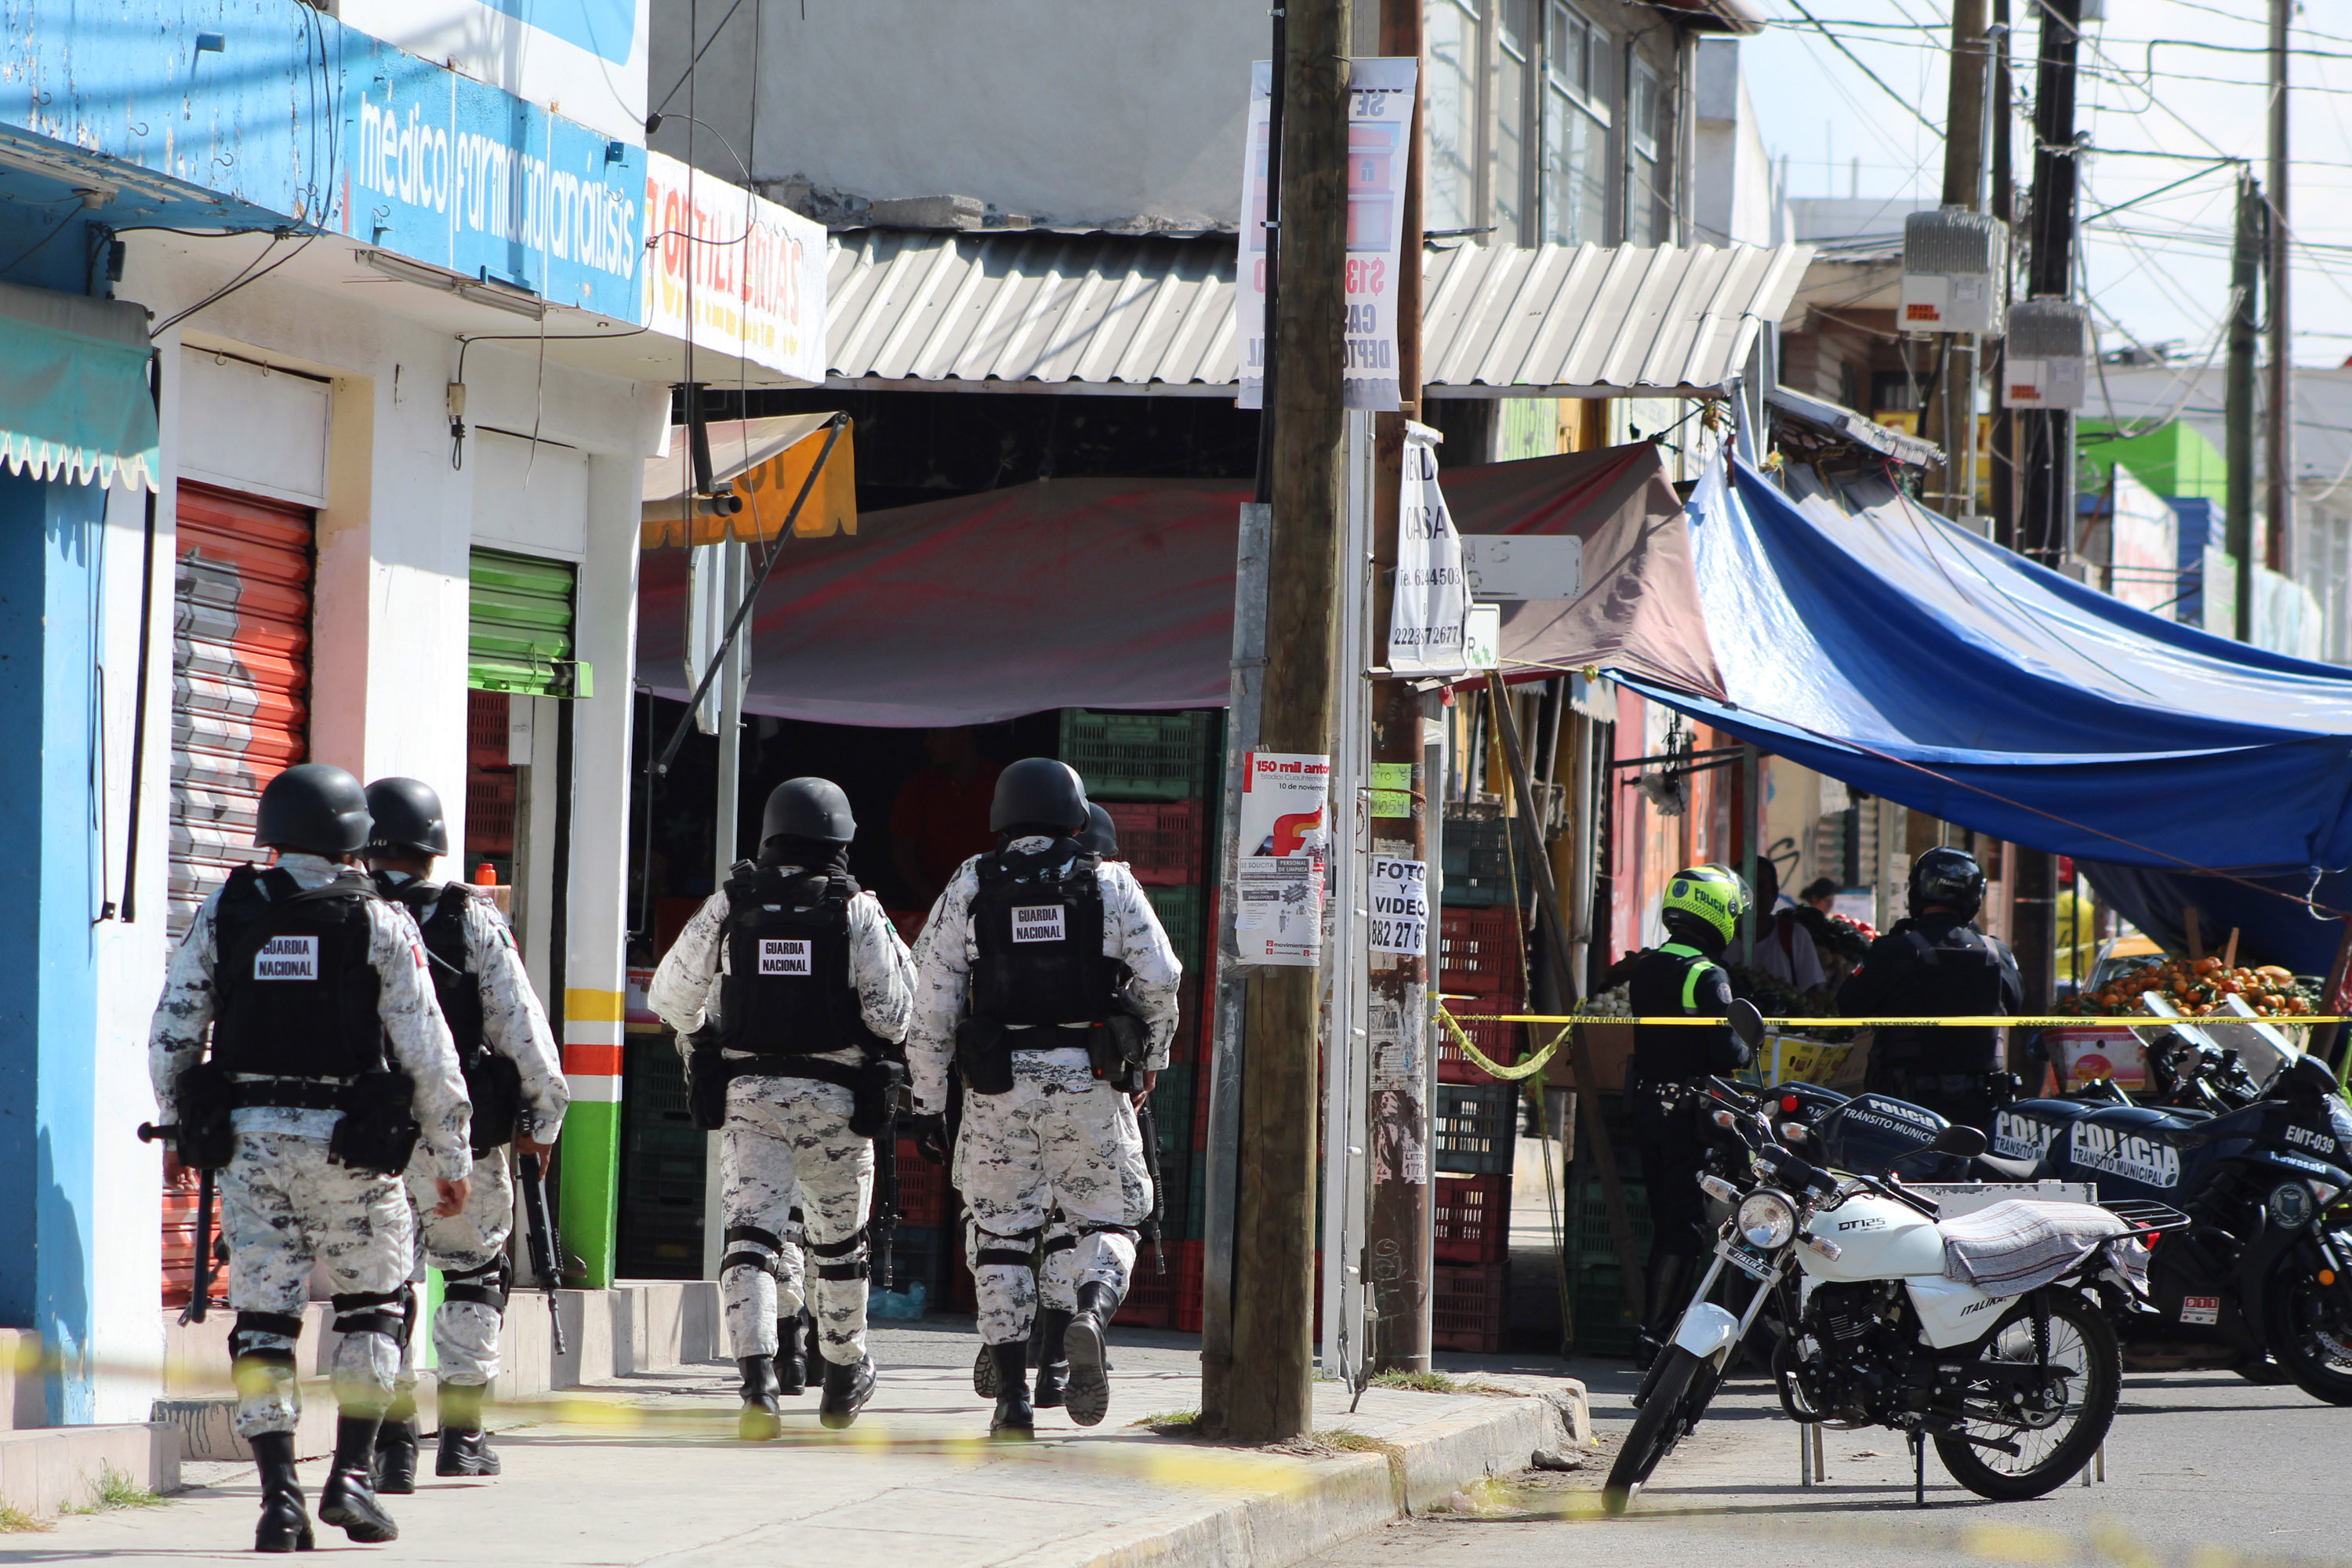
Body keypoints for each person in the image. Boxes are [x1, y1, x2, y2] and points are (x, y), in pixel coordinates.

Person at [145, 764, 472, 1552]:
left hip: (251, 1146)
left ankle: (278, 1498)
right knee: (373, 1304)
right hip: (350, 1148)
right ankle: (352, 1476)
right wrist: (451, 1150)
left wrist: (177, 1125)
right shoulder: (380, 920)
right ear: (354, 834)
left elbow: (173, 1029)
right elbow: (427, 1047)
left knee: (263, 1318)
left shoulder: (228, 907)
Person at [907, 759, 1180, 1437]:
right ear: (1077, 817)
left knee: (1000, 1239)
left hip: (997, 1086)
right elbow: (1163, 979)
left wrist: (927, 1102)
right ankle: (1087, 1315)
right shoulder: (1108, 881)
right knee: (1109, 1220)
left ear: (1002, 816)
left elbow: (930, 1005)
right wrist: (1149, 1063)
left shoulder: (972, 882)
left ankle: (1011, 1400)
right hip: (1088, 1081)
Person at [648, 777, 915, 1436]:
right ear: (843, 840)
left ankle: (758, 1384)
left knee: (750, 1241)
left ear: (769, 834)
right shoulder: (856, 909)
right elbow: (893, 1015)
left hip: (749, 1101)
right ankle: (844, 1376)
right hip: (837, 1103)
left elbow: (671, 997)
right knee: (839, 1248)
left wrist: (710, 1033)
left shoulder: (732, 903)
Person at [361, 777, 568, 1488]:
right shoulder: (468, 916)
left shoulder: (339, 912)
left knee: (382, 1289)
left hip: (365, 1142)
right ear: (433, 847)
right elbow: (520, 1024)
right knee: (476, 1274)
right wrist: (545, 1117)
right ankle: (462, 1436)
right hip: (462, 1139)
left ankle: (390, 1440)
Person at [1626, 864, 1754, 1368]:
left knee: (1665, 1221)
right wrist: (1744, 1046)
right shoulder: (1705, 975)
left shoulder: (1647, 966)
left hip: (1647, 1108)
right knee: (1686, 1227)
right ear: (1719, 913)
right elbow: (1727, 1052)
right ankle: (1659, 1337)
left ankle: (1655, 1331)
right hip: (1687, 1117)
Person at [1838, 845, 2023, 1130]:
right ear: (1974, 897)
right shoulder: (1997, 952)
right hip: (1980, 1109)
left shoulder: (1894, 949)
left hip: (1904, 1109)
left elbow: (1848, 1005)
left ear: (1917, 889)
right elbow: (2019, 1005)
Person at [891, 727, 1002, 910]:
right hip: (929, 914)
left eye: (936, 734)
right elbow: (902, 852)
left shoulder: (1001, 783)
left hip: (992, 908)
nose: (927, 742)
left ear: (964, 736)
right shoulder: (918, 787)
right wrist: (937, 903)